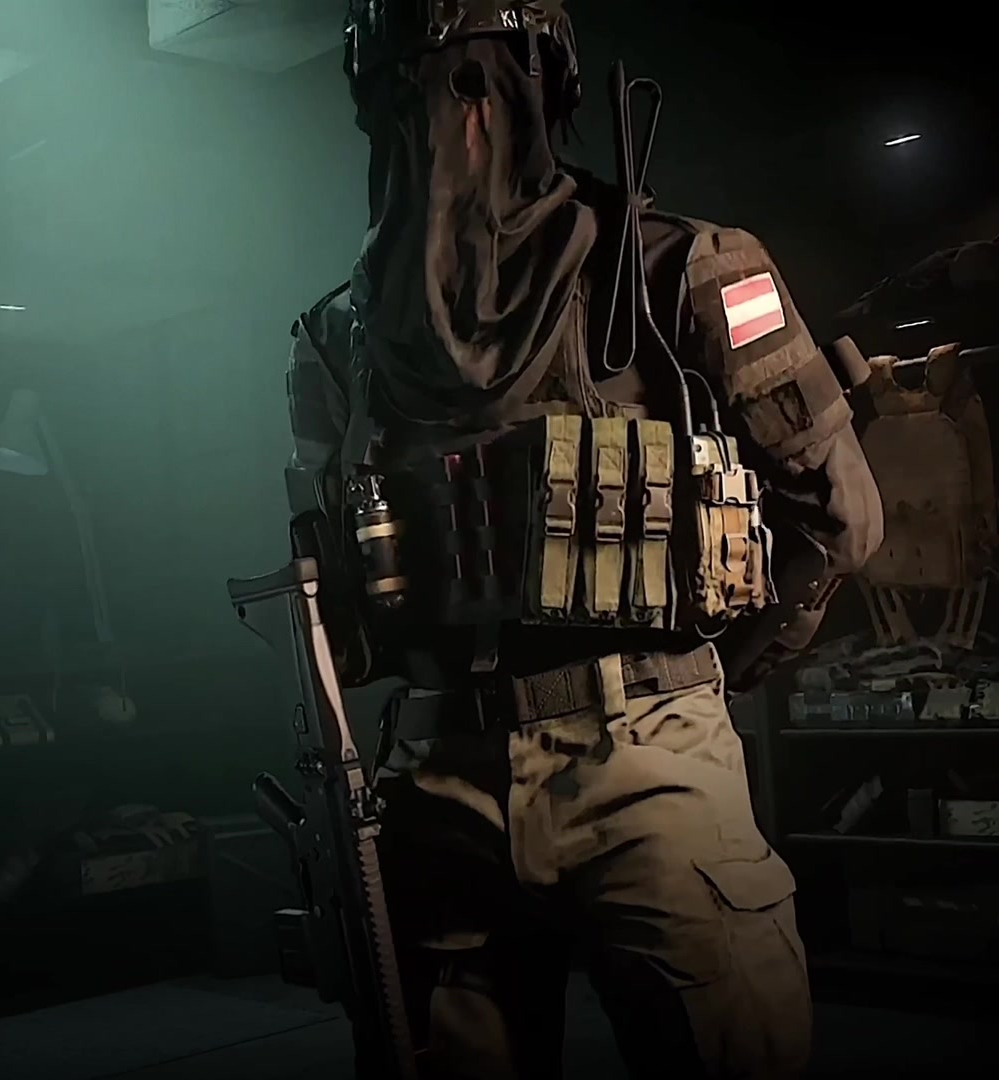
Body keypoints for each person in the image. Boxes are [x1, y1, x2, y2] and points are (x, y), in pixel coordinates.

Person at [284, 3, 884, 1077]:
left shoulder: (687, 267)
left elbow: (842, 521)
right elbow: (332, 567)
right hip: (440, 783)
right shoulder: (341, 332)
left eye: (476, 85)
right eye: (421, 91)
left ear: (534, 85)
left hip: (637, 754)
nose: (455, 119)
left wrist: (714, 670)